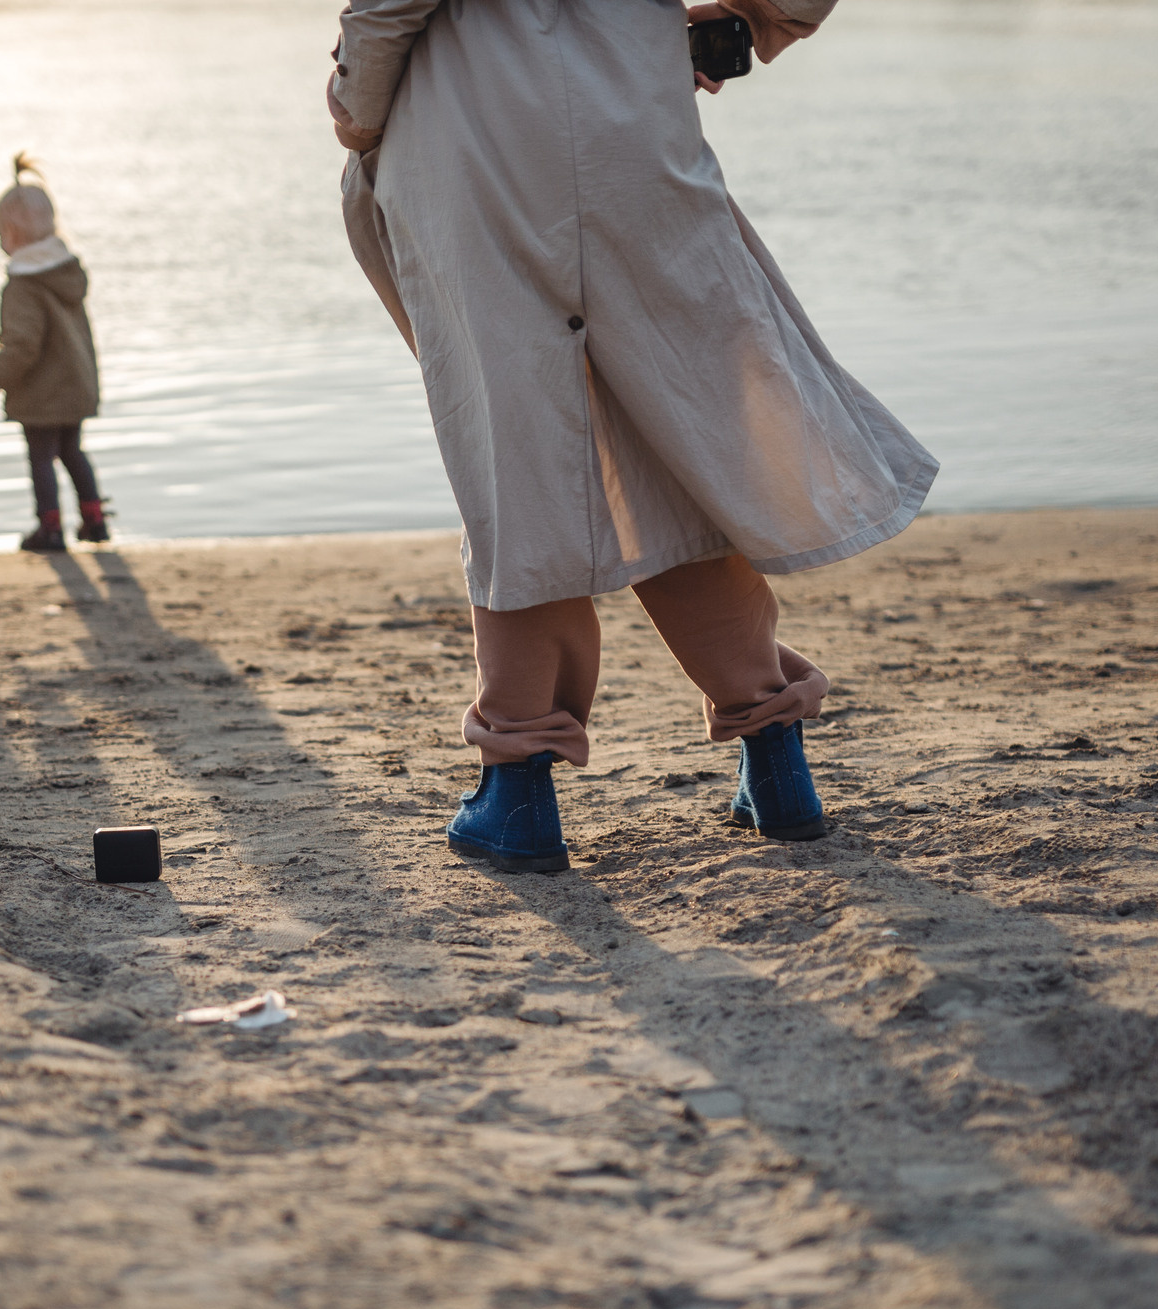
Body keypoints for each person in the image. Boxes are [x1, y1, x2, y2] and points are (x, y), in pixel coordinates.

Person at [331, 0, 937, 873]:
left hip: (478, 137)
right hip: (633, 127)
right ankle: (775, 763)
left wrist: (357, 107)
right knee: (678, 439)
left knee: (520, 454)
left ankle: (519, 790)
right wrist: (738, 24)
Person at [0, 154, 109, 550]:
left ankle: (50, 528)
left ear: (9, 233)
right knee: (72, 452)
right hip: (76, 384)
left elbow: (22, 348)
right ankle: (94, 519)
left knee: (41, 457)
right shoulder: (67, 272)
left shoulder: (22, 287)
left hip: (42, 392)